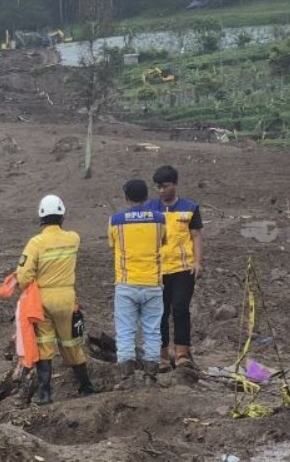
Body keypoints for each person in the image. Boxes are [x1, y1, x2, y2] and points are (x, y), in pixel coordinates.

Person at [15, 194, 94, 405]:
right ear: (62, 216)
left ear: (41, 217)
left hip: (44, 299)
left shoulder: (36, 243)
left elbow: (23, 276)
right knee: (71, 343)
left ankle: (44, 394)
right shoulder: (73, 239)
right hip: (67, 298)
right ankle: (86, 387)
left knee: (44, 345)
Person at [108, 179, 166, 387]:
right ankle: (151, 377)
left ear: (126, 198)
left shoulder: (115, 220)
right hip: (153, 284)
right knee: (152, 331)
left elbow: (111, 244)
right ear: (146, 197)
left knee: (125, 331)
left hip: (126, 284)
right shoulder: (159, 219)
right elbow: (163, 241)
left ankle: (127, 379)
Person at [148, 165, 204, 371]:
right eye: (158, 187)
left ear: (175, 184)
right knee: (159, 312)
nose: (161, 190)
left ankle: (182, 353)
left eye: (165, 186)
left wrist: (198, 262)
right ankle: (162, 356)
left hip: (183, 268)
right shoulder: (151, 208)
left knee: (180, 309)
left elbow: (196, 235)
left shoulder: (190, 208)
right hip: (158, 270)